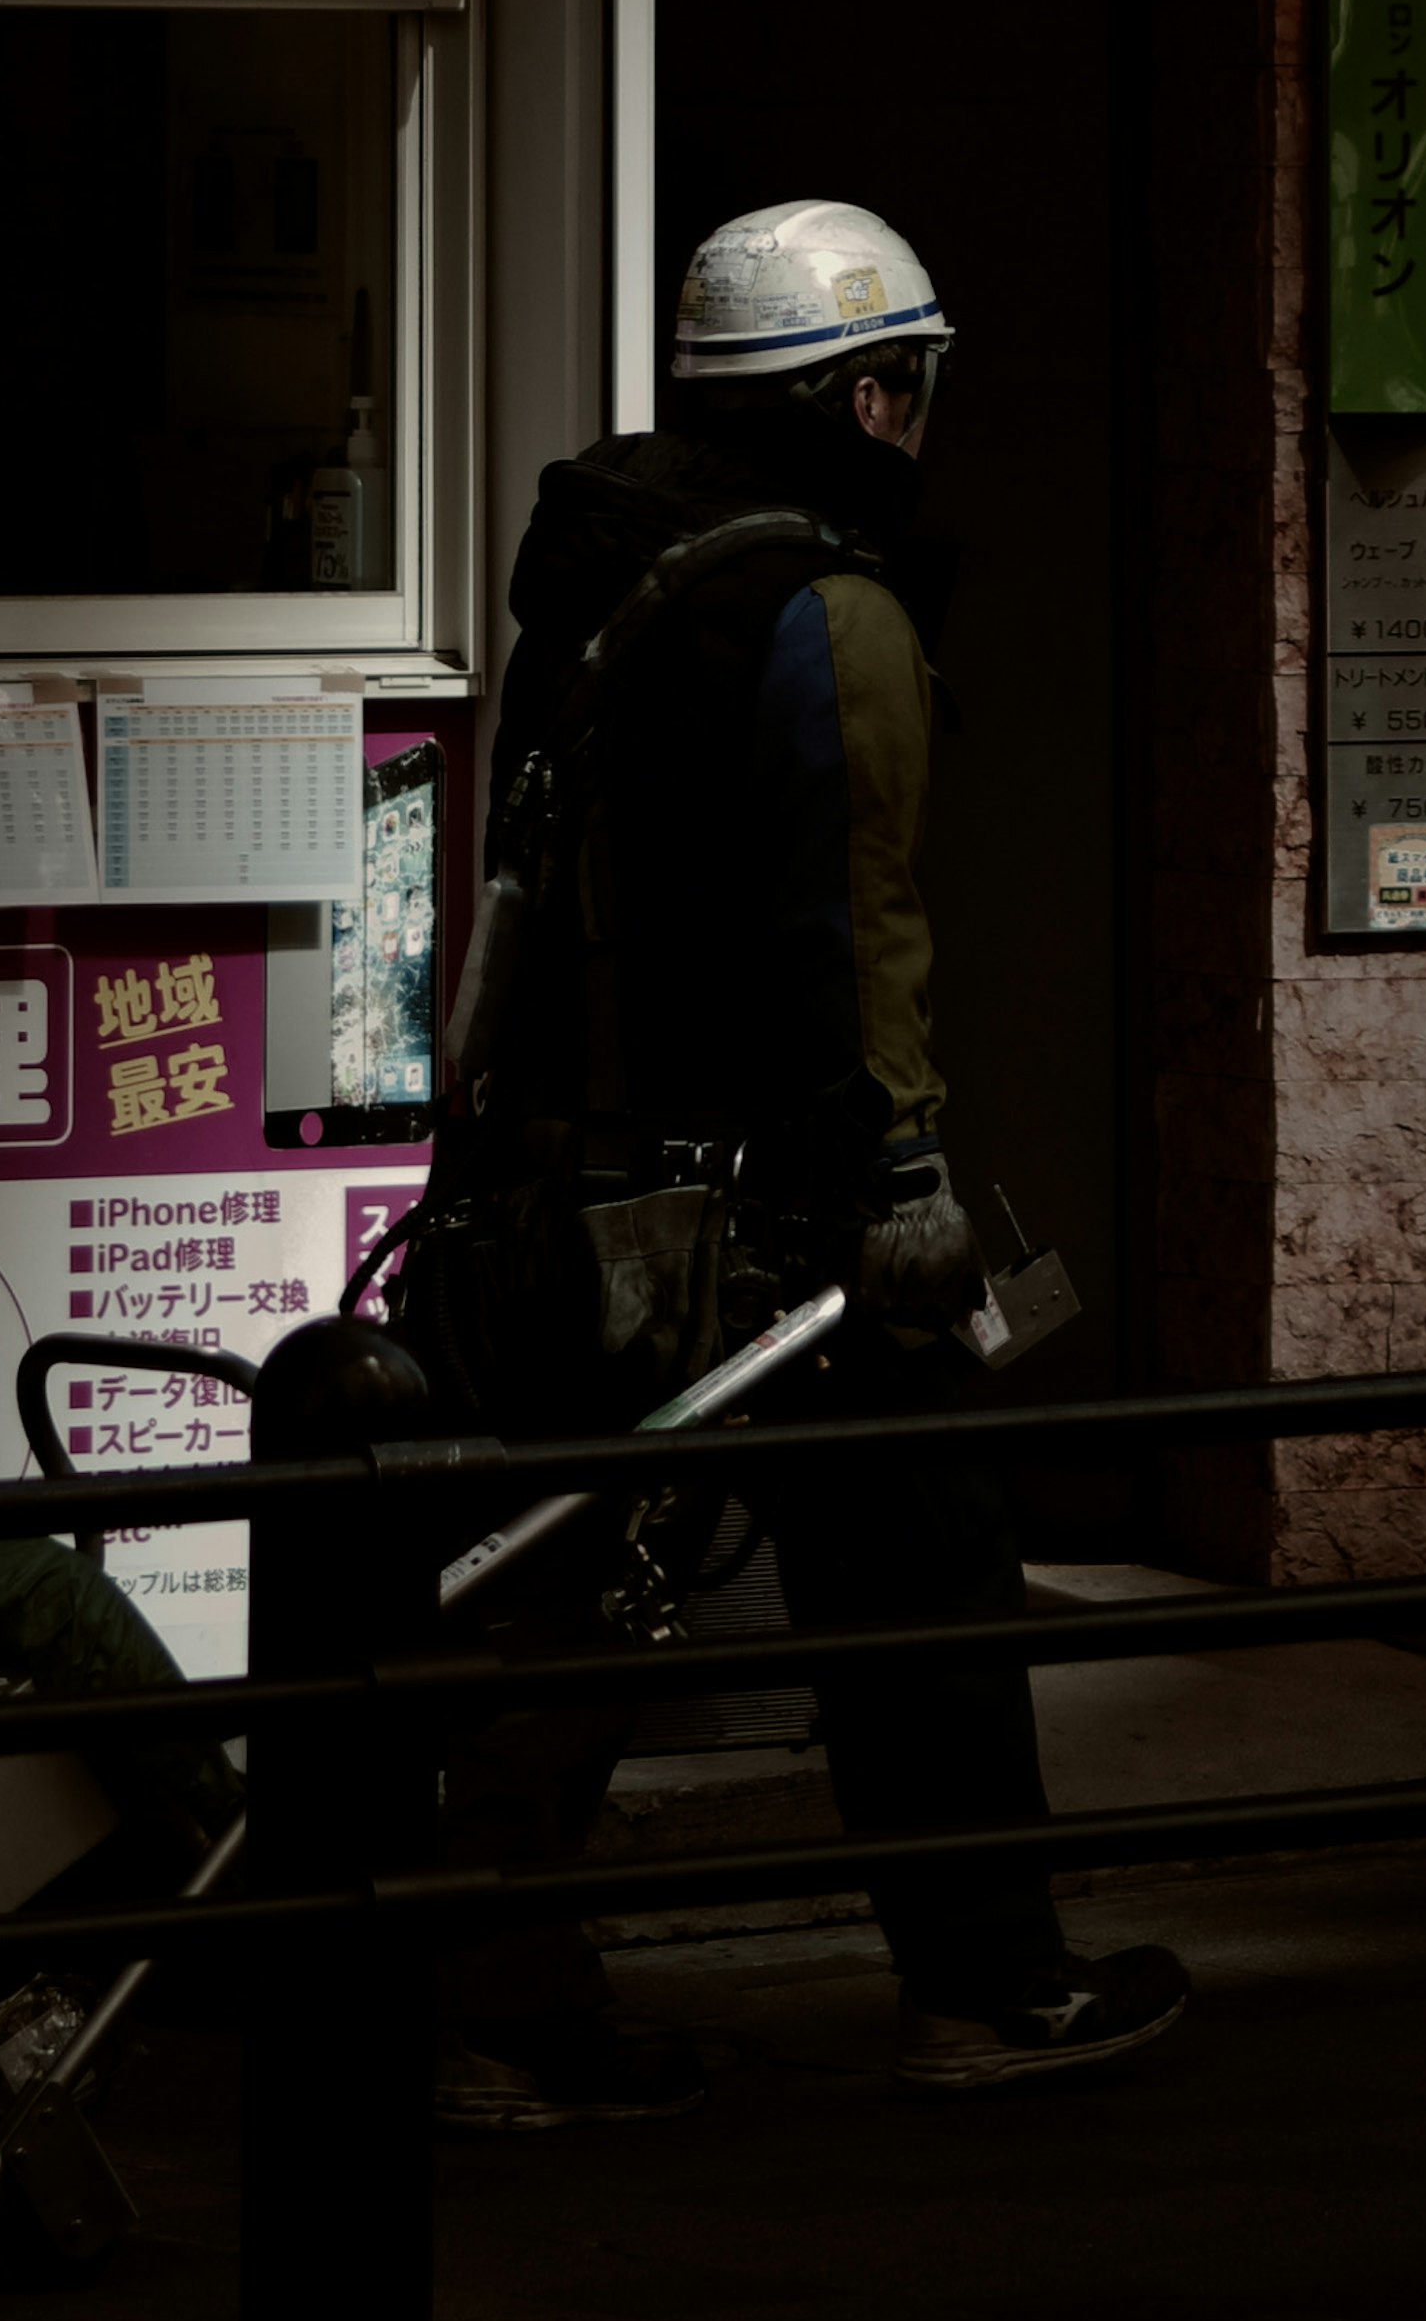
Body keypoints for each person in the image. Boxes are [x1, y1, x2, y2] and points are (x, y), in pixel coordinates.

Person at [397, 191, 1188, 2117]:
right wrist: (902, 1176)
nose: (919, 419)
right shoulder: (822, 603)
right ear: (862, 391)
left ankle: (478, 2007)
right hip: (768, 1195)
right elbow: (853, 923)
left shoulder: (599, 567)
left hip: (561, 1175)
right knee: (921, 1569)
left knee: (539, 1589)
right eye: (906, 383)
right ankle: (987, 1990)